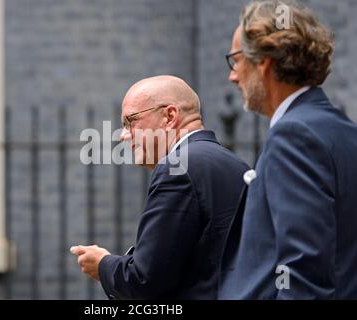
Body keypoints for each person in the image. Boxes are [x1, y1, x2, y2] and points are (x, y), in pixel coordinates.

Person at [219, 0, 357, 299]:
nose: (233, 76)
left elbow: (303, 274)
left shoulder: (293, 135)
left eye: (236, 60)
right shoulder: (343, 131)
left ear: (263, 63)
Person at [71, 75, 249, 299]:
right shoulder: (236, 165)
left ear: (170, 116)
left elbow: (146, 280)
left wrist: (103, 265)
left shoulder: (177, 168)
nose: (124, 135)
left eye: (130, 121)